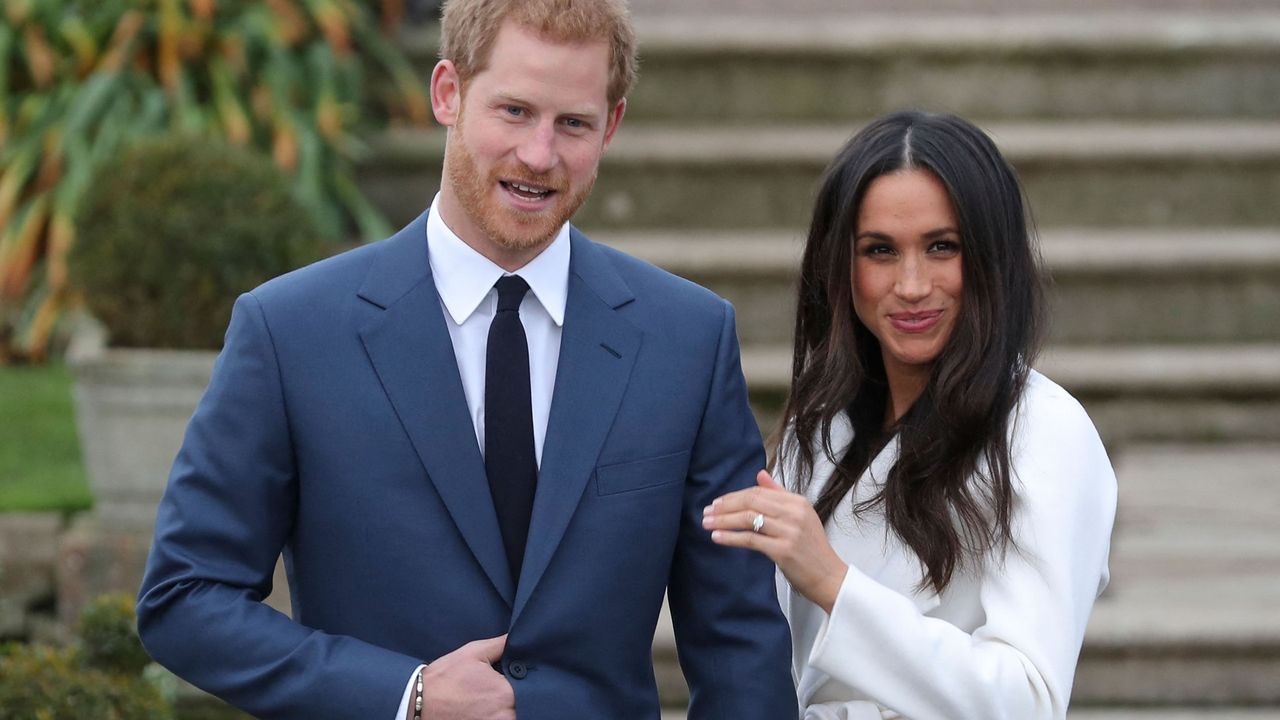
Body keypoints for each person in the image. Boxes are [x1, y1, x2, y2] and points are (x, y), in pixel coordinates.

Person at [135, 1, 796, 718]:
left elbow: (738, 647)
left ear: (610, 125)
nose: (540, 155)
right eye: (514, 111)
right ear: (447, 92)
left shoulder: (687, 340)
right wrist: (402, 694)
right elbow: (184, 598)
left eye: (572, 123)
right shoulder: (289, 332)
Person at [703, 111, 1117, 719]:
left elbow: (1027, 700)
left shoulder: (1044, 430)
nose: (913, 284)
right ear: (840, 267)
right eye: (880, 251)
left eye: (941, 247)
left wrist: (833, 583)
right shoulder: (816, 431)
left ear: (990, 255)